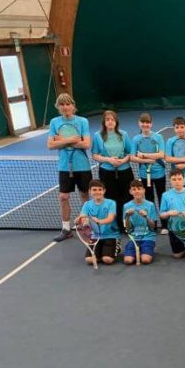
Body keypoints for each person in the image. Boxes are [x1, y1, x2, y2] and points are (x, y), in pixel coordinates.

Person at [47, 93, 91, 242]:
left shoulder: (82, 121)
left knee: (84, 195)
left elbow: (86, 144)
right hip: (64, 167)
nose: (65, 107)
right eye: (62, 105)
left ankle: (86, 224)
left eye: (68, 104)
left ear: (73, 105)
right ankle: (66, 228)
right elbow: (50, 145)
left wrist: (61, 140)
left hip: (82, 165)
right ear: (58, 107)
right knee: (63, 196)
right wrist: (72, 139)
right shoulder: (54, 122)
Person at [91, 110, 132, 233]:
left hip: (125, 171)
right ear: (104, 122)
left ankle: (126, 224)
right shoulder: (97, 136)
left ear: (116, 121)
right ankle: (113, 225)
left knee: (126, 199)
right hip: (106, 172)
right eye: (107, 119)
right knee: (111, 199)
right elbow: (95, 155)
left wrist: (123, 160)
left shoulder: (123, 134)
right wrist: (108, 160)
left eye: (112, 119)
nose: (110, 122)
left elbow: (130, 153)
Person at [131, 113, 166, 233]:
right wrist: (146, 160)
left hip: (159, 173)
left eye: (147, 122)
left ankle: (165, 225)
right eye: (143, 122)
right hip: (144, 174)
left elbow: (161, 154)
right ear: (139, 123)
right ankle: (153, 225)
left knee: (162, 198)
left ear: (151, 124)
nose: (145, 125)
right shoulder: (136, 139)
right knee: (149, 200)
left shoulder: (158, 137)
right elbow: (133, 157)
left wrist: (144, 155)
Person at [75, 179, 118, 265]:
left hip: (110, 235)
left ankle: (116, 246)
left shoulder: (111, 203)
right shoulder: (87, 204)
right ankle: (101, 252)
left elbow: (110, 219)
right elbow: (83, 218)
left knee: (107, 260)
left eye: (100, 189)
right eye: (94, 190)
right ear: (90, 191)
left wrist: (99, 221)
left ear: (104, 191)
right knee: (89, 260)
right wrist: (82, 221)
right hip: (95, 236)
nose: (97, 192)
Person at [122, 179, 158, 265]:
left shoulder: (150, 205)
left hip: (148, 237)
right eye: (134, 189)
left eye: (139, 189)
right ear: (130, 191)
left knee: (145, 260)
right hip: (134, 238)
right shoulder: (126, 206)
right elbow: (127, 228)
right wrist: (127, 216)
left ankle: (148, 249)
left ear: (143, 190)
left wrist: (146, 217)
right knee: (128, 261)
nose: (137, 191)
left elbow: (153, 227)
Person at [164, 116, 185, 192]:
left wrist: (184, 165)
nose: (179, 129)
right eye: (177, 127)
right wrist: (184, 159)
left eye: (182, 127)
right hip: (176, 179)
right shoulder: (170, 141)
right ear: (174, 129)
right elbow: (167, 158)